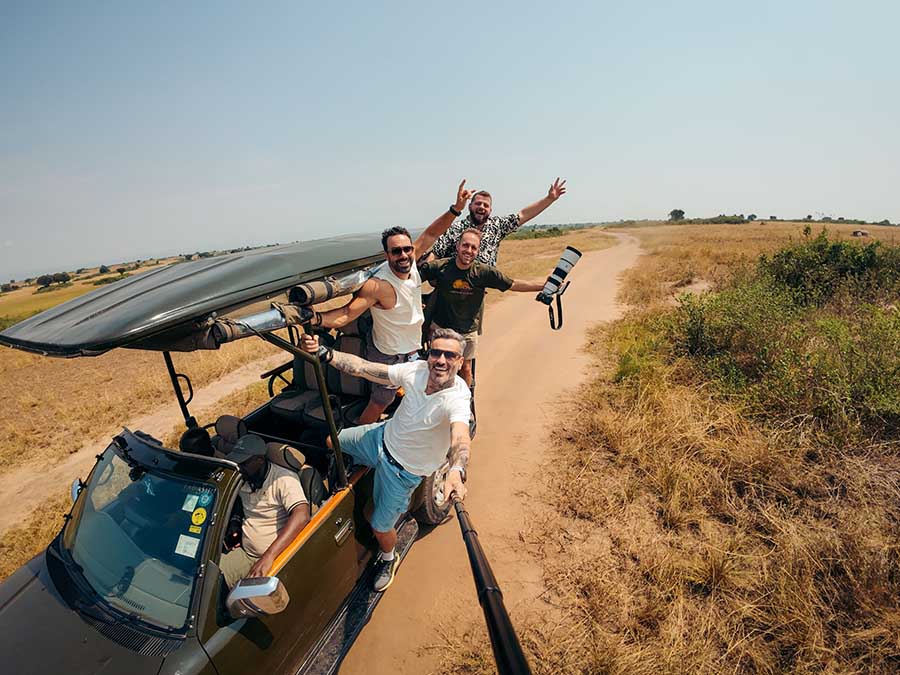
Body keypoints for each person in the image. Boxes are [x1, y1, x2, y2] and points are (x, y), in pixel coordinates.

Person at [301, 328, 471, 592]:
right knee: (332, 441)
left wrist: (456, 470)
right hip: (379, 438)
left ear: (460, 361)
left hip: (402, 473)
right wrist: (325, 353)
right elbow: (365, 368)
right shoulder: (416, 370)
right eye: (436, 352)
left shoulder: (457, 398)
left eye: (450, 355)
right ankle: (356, 468)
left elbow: (460, 436)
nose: (441, 360)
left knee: (380, 526)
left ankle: (389, 558)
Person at [307, 180, 475, 424]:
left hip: (412, 350)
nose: (404, 255)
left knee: (419, 389)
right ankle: (357, 440)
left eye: (407, 249)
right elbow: (346, 314)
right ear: (387, 255)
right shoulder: (378, 286)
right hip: (388, 355)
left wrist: (456, 209)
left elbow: (431, 233)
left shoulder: (412, 263)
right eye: (396, 251)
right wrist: (315, 319)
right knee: (381, 401)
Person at [420, 228, 549, 386]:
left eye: (473, 247)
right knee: (437, 367)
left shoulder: (483, 272)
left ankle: (466, 399)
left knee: (466, 369)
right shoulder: (440, 267)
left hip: (467, 330)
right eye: (465, 245)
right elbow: (411, 279)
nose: (469, 250)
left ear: (478, 251)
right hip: (441, 328)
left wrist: (542, 286)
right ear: (457, 246)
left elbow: (512, 284)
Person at [220, 434, 311, 587]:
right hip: (246, 554)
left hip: (275, 558)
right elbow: (239, 501)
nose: (239, 467)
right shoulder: (244, 477)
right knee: (209, 578)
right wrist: (235, 522)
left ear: (259, 460)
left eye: (243, 463)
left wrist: (268, 556)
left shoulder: (283, 479)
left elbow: (302, 515)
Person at [430, 177, 567, 266]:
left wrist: (549, 199)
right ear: (470, 206)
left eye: (485, 205)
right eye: (478, 203)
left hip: (478, 293)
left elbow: (523, 215)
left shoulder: (496, 226)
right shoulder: (455, 228)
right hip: (450, 292)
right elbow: (436, 252)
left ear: (490, 210)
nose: (481, 207)